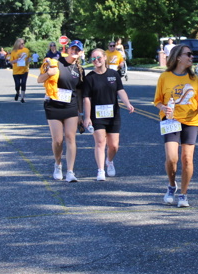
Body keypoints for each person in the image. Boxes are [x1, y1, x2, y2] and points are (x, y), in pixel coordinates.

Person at [153, 44, 198, 208]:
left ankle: (183, 194)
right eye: (188, 54)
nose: (191, 57)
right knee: (172, 158)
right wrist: (163, 108)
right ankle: (171, 186)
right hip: (171, 121)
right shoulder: (165, 77)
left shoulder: (193, 78)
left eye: (192, 54)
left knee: (187, 159)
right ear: (178, 57)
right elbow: (157, 101)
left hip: (191, 120)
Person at [82, 49, 135, 181]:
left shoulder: (113, 74)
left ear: (105, 57)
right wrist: (87, 117)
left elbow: (120, 90)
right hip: (96, 115)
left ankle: (109, 161)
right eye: (93, 58)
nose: (96, 60)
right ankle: (100, 170)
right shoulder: (89, 77)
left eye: (98, 57)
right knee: (100, 142)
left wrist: (128, 104)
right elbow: (86, 98)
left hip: (113, 114)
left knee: (114, 146)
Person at [38, 40, 85, 182]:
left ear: (81, 52)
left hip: (71, 105)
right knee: (58, 140)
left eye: (77, 50)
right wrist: (49, 73)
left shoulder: (80, 70)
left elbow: (79, 92)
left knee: (71, 137)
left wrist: (81, 113)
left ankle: (70, 172)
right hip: (54, 105)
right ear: (68, 50)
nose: (74, 52)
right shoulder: (56, 63)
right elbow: (39, 79)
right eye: (72, 49)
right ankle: (58, 165)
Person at [9, 38, 31, 102]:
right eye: (21, 43)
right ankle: (17, 92)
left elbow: (29, 58)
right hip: (16, 71)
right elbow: (11, 61)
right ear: (18, 44)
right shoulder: (14, 51)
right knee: (17, 84)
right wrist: (16, 60)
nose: (23, 45)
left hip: (24, 70)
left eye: (23, 43)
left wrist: (28, 61)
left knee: (23, 83)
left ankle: (22, 98)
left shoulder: (26, 50)